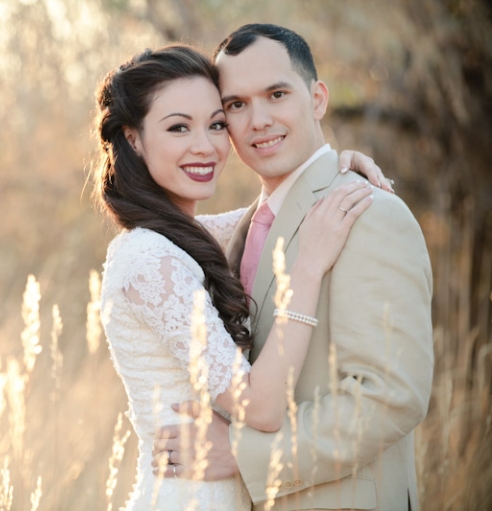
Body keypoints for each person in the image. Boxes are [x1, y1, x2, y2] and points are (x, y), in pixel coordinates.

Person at [152, 24, 434, 511]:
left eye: (276, 94)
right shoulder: (245, 225)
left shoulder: (369, 214)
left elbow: (392, 396)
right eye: (236, 105)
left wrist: (244, 454)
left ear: (318, 98)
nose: (258, 120)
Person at [93, 44, 386, 510]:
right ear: (133, 139)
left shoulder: (187, 239)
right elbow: (260, 409)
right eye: (178, 127)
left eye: (215, 124)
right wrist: (306, 269)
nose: (205, 146)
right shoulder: (148, 258)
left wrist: (335, 171)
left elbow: (275, 213)